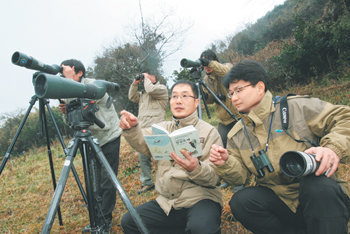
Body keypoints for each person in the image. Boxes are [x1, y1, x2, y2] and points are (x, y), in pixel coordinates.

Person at [209, 60, 350, 234]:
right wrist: (225, 162)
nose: (234, 98)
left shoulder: (296, 107)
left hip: (321, 198)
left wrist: (332, 148)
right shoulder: (236, 134)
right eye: (231, 94)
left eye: (239, 90)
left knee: (316, 186)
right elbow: (240, 178)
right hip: (281, 201)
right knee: (242, 201)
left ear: (260, 87)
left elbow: (345, 117)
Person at [120, 80, 223, 234]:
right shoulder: (163, 128)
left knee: (201, 228)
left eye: (185, 96)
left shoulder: (209, 132)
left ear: (196, 103)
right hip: (167, 202)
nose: (178, 101)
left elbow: (215, 176)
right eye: (174, 97)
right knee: (130, 222)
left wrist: (196, 169)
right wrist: (133, 128)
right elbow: (143, 140)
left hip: (201, 198)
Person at [58, 59, 122, 233]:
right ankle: (96, 219)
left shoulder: (93, 85)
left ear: (78, 72)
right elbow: (74, 120)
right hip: (89, 140)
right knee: (93, 183)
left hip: (108, 137)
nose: (63, 72)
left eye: (67, 69)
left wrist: (70, 86)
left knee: (106, 181)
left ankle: (105, 221)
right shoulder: (67, 92)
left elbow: (93, 99)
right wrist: (66, 112)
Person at [200, 49, 241, 189]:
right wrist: (205, 96)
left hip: (237, 116)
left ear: (214, 61)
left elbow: (227, 73)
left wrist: (210, 63)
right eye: (204, 65)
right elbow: (211, 100)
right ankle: (228, 178)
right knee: (222, 147)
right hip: (224, 119)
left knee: (240, 148)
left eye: (208, 64)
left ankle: (240, 179)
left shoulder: (227, 66)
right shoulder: (206, 79)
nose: (207, 68)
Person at [128, 70, 168, 194]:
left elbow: (151, 90)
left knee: (163, 158)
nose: (144, 78)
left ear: (154, 76)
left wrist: (145, 79)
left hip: (157, 128)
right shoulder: (143, 94)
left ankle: (165, 182)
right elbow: (131, 96)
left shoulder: (161, 89)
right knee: (143, 157)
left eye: (147, 75)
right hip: (143, 129)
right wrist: (135, 83)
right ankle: (147, 183)